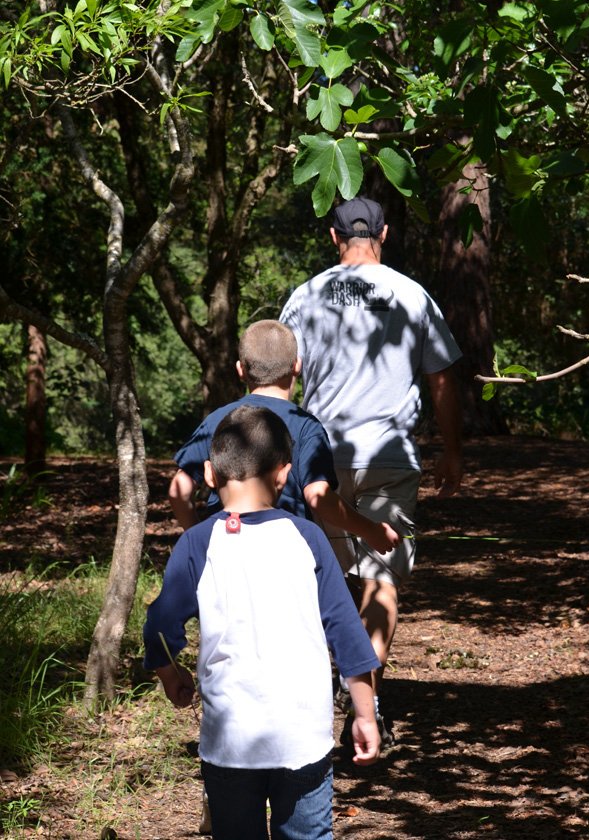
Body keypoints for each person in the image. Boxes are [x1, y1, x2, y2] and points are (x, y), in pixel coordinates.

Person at [144, 405, 381, 840]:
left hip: (229, 742)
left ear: (209, 474)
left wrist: (170, 674)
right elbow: (347, 631)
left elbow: (160, 624)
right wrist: (365, 714)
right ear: (284, 475)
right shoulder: (308, 538)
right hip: (302, 738)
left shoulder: (197, 543)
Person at [280, 197, 463, 743]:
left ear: (333, 238)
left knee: (329, 579)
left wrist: (276, 455)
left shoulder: (306, 296)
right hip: (389, 456)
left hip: (322, 457)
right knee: (381, 581)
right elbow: (442, 377)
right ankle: (367, 700)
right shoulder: (413, 295)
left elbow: (281, 376)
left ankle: (332, 687)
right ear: (384, 234)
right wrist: (452, 451)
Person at [169, 319, 401, 556]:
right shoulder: (306, 427)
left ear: (240, 369)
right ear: (297, 366)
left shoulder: (218, 420)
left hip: (224, 550)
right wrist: (370, 530)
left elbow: (179, 488)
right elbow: (318, 496)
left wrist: (197, 538)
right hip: (287, 554)